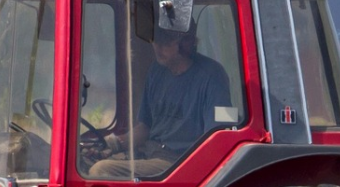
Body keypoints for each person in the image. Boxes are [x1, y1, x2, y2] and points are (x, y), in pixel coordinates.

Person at [87, 25, 233, 179]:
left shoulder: (213, 76)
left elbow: (219, 136)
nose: (157, 46)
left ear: (185, 43)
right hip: (150, 155)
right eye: (155, 41)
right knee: (85, 165)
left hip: (179, 163)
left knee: (101, 171)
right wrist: (111, 144)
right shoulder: (157, 71)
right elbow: (145, 127)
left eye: (165, 42)